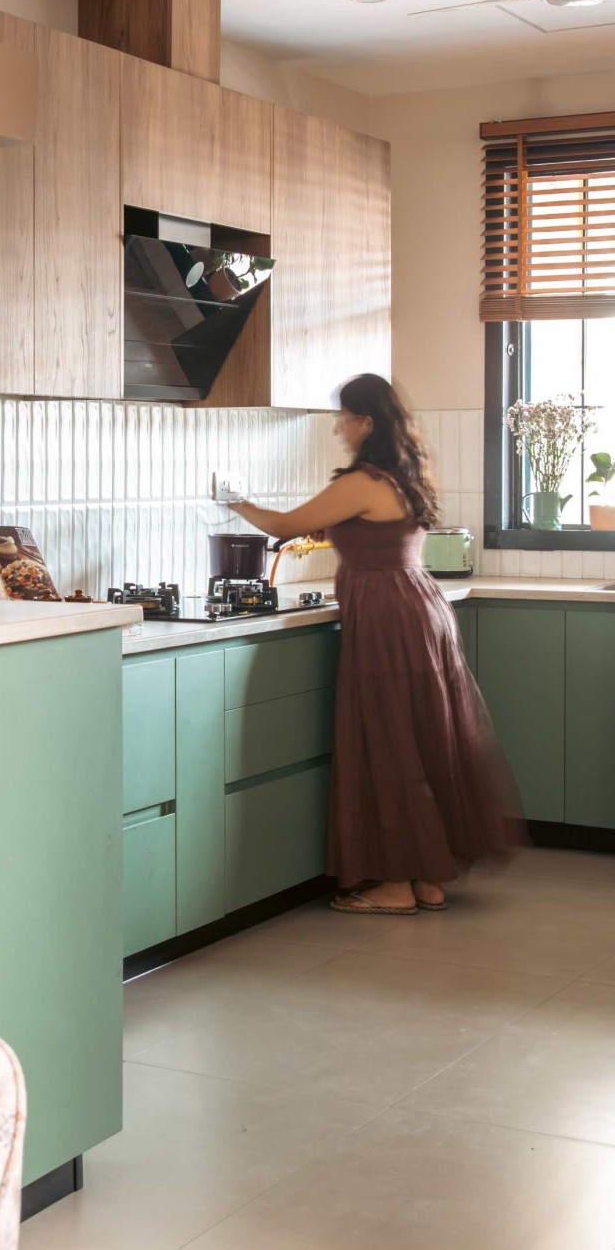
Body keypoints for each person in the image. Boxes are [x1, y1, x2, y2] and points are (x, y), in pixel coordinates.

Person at [230, 373, 519, 914]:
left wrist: (235, 501)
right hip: (420, 607)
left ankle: (393, 885)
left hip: (387, 615)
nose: (339, 427)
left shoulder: (363, 480)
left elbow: (288, 524)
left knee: (387, 742)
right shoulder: (405, 472)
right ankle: (429, 877)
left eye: (343, 417)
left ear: (364, 421)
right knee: (421, 736)